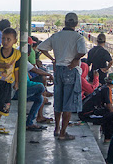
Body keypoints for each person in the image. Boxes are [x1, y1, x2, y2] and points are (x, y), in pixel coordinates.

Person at [38, 12, 88, 141]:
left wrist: (53, 59)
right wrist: (75, 59)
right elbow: (82, 51)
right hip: (71, 71)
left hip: (59, 70)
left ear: (65, 23)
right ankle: (63, 133)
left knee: (58, 102)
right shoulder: (78, 37)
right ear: (76, 24)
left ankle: (56, 129)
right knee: (68, 104)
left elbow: (41, 47)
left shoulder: (56, 36)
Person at [79, 73, 113, 142]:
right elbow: (109, 107)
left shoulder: (102, 87)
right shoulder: (107, 90)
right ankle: (108, 138)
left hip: (83, 112)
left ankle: (105, 133)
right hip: (87, 115)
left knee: (107, 113)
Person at [13, 61, 49, 132]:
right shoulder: (19, 62)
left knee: (40, 98)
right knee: (41, 87)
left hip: (22, 90)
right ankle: (33, 120)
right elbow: (36, 72)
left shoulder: (23, 65)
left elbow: (30, 78)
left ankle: (29, 123)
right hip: (16, 92)